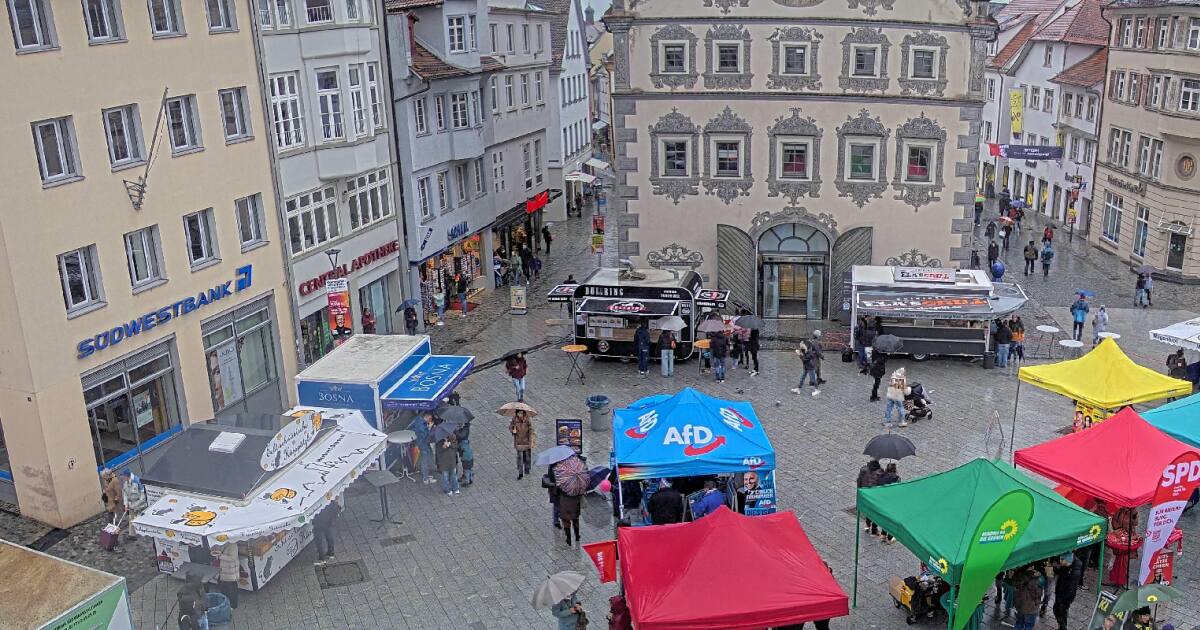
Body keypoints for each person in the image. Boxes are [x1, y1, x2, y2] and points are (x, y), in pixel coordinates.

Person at [312, 496, 341, 565]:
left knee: (319, 540)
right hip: (328, 521)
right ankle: (331, 554)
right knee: (329, 537)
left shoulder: (316, 501)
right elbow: (337, 509)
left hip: (319, 522)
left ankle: (321, 559)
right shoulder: (330, 500)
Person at [1013, 566, 1043, 630]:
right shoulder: (1037, 581)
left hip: (1020, 607)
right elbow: (1038, 596)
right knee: (1029, 625)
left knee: (1019, 623)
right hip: (1031, 609)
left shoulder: (1019, 577)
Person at [857, 460, 882, 536]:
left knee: (868, 511)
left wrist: (859, 490)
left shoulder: (863, 470)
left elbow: (859, 481)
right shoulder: (880, 473)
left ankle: (867, 525)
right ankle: (874, 530)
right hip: (875, 496)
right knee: (875, 513)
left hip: (865, 494)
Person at [212, 542, 240, 609]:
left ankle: (233, 605)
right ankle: (225, 603)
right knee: (223, 588)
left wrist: (220, 556)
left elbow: (233, 558)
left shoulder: (233, 545)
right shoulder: (218, 543)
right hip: (221, 571)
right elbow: (214, 549)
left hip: (230, 571)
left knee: (231, 589)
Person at [411, 414, 437, 484]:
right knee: (425, 460)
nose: (430, 421)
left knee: (427, 458)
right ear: (428, 418)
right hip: (423, 444)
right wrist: (429, 428)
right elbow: (426, 436)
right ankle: (425, 478)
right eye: (430, 419)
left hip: (421, 443)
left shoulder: (418, 420)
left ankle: (426, 474)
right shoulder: (422, 427)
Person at [509, 409, 534, 480]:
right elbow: (510, 427)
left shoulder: (527, 420)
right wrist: (513, 431)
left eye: (522, 413)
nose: (520, 415)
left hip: (526, 441)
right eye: (519, 413)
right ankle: (520, 473)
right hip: (518, 442)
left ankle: (527, 469)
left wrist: (531, 440)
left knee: (527, 457)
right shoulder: (514, 419)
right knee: (520, 458)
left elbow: (531, 430)